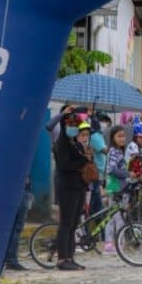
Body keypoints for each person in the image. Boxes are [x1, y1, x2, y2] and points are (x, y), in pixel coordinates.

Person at [51, 115, 90, 271]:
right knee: (66, 224)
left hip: (78, 187)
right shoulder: (61, 144)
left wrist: (87, 157)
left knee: (74, 224)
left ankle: (70, 256)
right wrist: (83, 160)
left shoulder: (75, 143)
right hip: (67, 188)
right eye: (71, 125)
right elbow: (66, 165)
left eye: (76, 125)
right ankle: (62, 259)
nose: (74, 127)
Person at [103, 126, 130, 254]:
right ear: (113, 138)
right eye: (119, 136)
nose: (122, 138)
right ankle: (115, 243)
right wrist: (127, 174)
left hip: (117, 185)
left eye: (123, 136)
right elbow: (111, 169)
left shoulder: (118, 151)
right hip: (115, 186)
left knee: (114, 215)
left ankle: (113, 242)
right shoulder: (114, 151)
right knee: (117, 216)